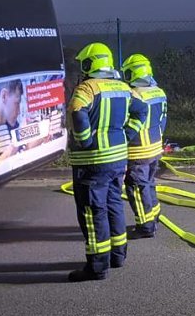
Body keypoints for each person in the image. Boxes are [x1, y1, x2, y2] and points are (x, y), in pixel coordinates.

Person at [67, 42, 148, 282]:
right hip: (118, 160)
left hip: (92, 162)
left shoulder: (86, 88)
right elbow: (141, 110)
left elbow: (77, 110)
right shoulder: (123, 87)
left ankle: (97, 266)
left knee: (93, 212)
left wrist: (84, 140)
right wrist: (127, 135)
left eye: (83, 64)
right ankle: (117, 256)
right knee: (114, 206)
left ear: (90, 64)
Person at [121, 53, 168, 239]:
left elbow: (129, 122)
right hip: (155, 147)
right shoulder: (159, 92)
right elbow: (163, 120)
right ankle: (154, 215)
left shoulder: (134, 95)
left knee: (136, 187)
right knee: (149, 183)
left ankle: (145, 226)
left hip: (138, 149)